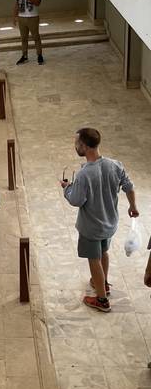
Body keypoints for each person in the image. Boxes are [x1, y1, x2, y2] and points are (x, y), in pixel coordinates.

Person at [60, 127, 138, 312]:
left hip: (91, 227)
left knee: (93, 259)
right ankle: (102, 283)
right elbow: (129, 186)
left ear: (85, 146)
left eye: (77, 143)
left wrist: (67, 188)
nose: (75, 146)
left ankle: (102, 300)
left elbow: (76, 200)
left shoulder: (85, 174)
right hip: (110, 223)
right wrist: (133, 207)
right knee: (104, 252)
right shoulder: (115, 165)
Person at [14, 0, 44, 65]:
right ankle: (24, 56)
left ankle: (39, 55)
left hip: (33, 17)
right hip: (22, 17)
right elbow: (17, 3)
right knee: (23, 38)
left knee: (36, 37)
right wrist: (14, 16)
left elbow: (38, 3)